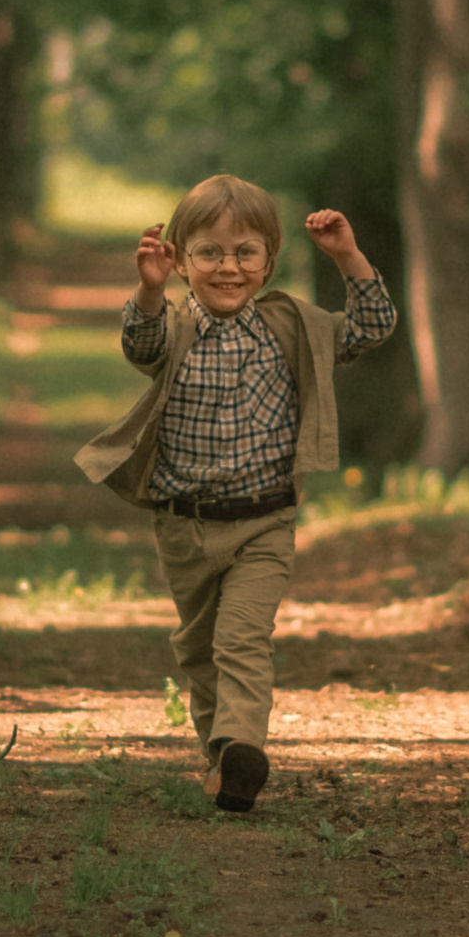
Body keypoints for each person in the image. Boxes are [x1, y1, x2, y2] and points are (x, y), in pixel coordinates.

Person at [73, 173, 397, 812]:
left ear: (269, 262)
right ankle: (221, 759)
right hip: (184, 524)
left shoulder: (291, 326)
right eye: (209, 253)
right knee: (198, 650)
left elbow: (371, 327)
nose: (228, 267)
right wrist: (148, 289)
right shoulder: (174, 329)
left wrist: (346, 256)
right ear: (182, 258)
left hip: (263, 523)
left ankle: (242, 745)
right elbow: (139, 344)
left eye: (245, 252)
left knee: (242, 639)